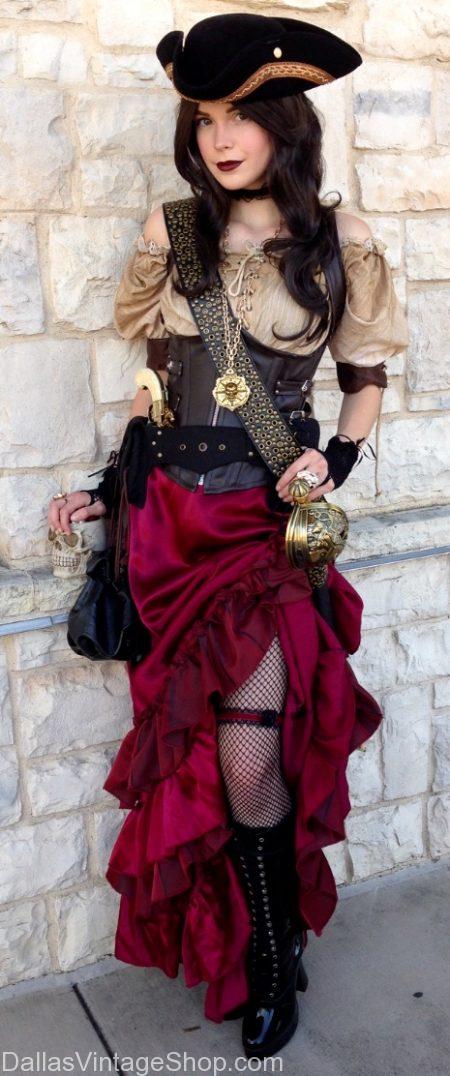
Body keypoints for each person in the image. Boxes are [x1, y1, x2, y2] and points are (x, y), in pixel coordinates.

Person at [47, 13, 409, 1061]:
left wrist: (332, 463)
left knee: (251, 765)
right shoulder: (176, 232)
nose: (219, 137)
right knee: (201, 756)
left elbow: (365, 380)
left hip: (258, 535)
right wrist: (105, 491)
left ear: (284, 123)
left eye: (240, 115)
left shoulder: (340, 242)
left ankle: (273, 957)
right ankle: (263, 933)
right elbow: (154, 385)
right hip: (166, 529)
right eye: (204, 118)